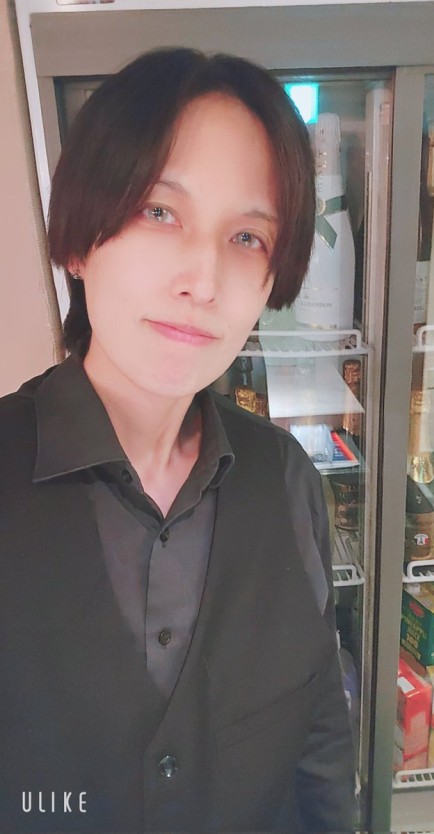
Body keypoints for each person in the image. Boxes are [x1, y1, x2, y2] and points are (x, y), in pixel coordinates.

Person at [0, 48, 355, 832]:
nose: (204, 279)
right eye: (160, 213)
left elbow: (320, 745)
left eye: (248, 237)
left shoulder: (287, 480)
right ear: (79, 243)